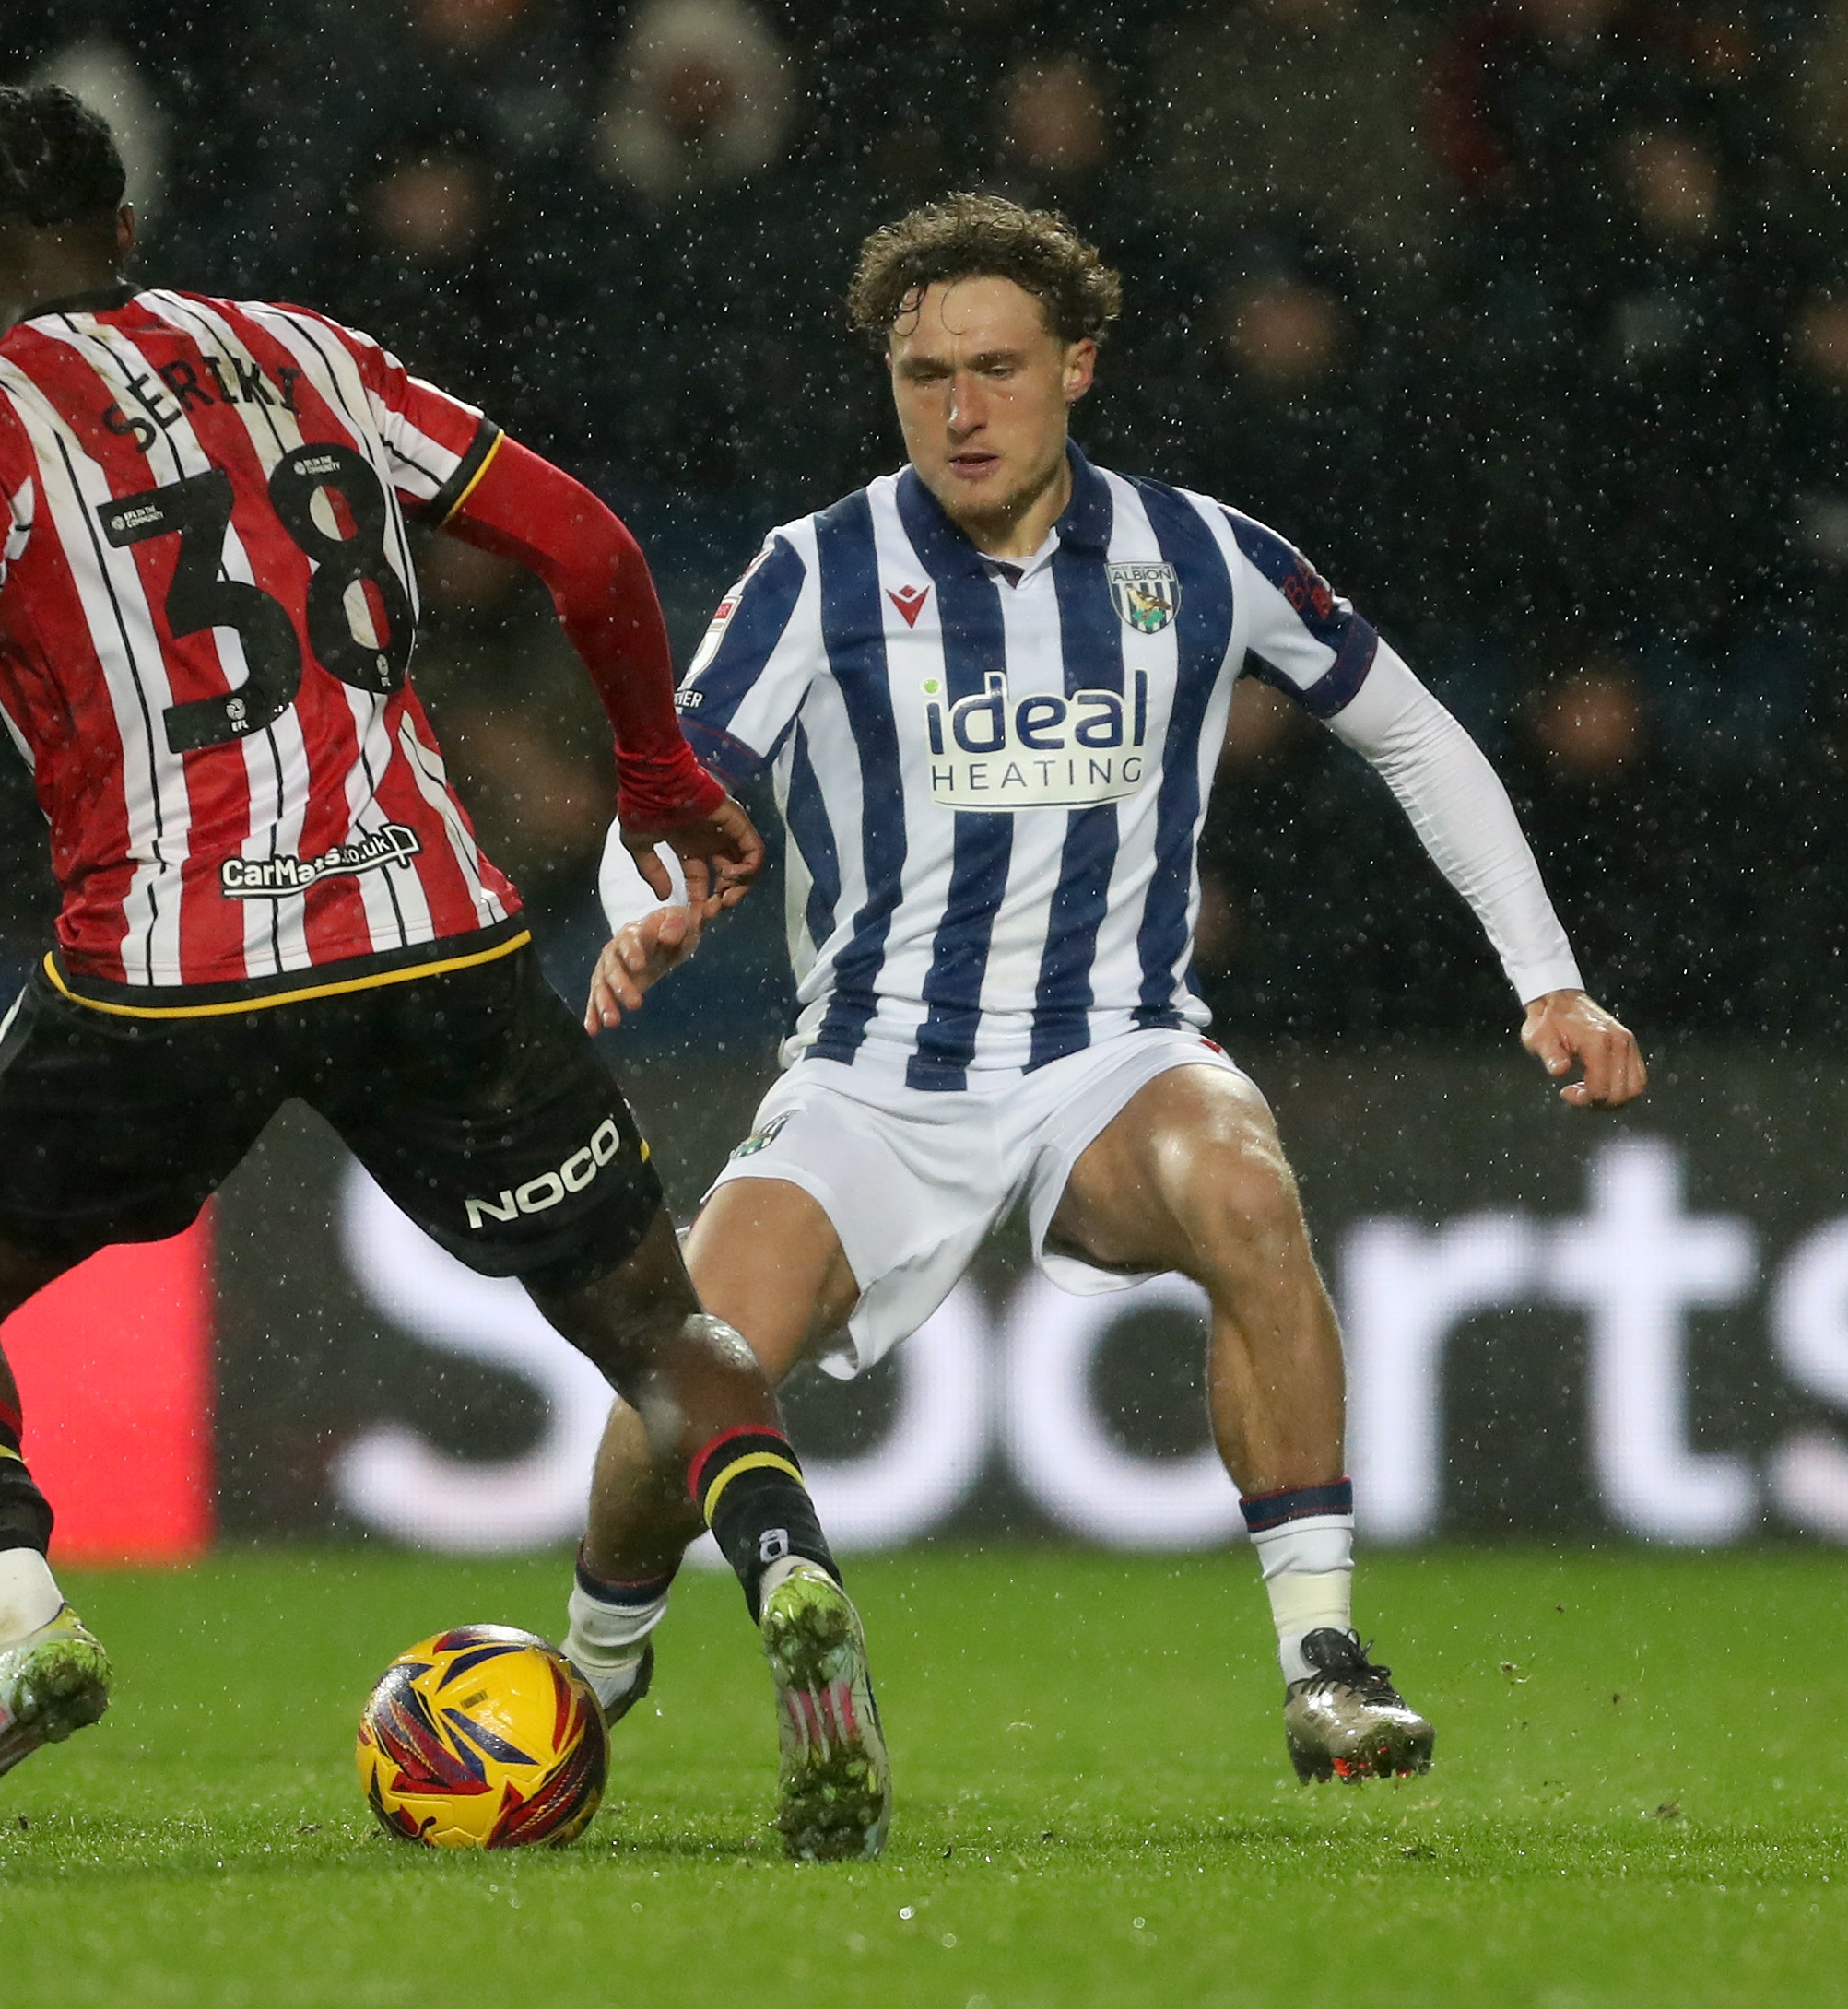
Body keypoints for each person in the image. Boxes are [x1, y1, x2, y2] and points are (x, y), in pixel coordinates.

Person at [0, 84, 889, 1863]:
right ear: (127, 233)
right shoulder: (299, 347)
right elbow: (590, 545)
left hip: (164, 972)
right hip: (429, 928)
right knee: (654, 1325)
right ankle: (791, 1590)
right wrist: (661, 781)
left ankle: (17, 1623)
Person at [567, 194, 1645, 1782]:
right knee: (689, 1368)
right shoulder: (817, 570)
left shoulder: (1203, 556)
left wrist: (1545, 981)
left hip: (1108, 1058)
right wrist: (648, 905)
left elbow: (1409, 731)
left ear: (1079, 365)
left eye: (995, 366)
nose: (958, 408)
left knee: (1241, 1182)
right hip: (873, 1075)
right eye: (922, 372)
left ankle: (1323, 1664)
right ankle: (592, 1675)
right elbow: (663, 794)